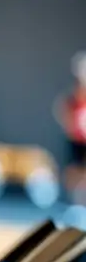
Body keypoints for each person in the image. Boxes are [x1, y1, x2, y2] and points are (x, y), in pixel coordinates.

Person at [55, 51, 86, 208]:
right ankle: (70, 200)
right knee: (74, 170)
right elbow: (62, 110)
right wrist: (70, 126)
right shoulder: (71, 97)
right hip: (75, 139)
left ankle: (81, 199)